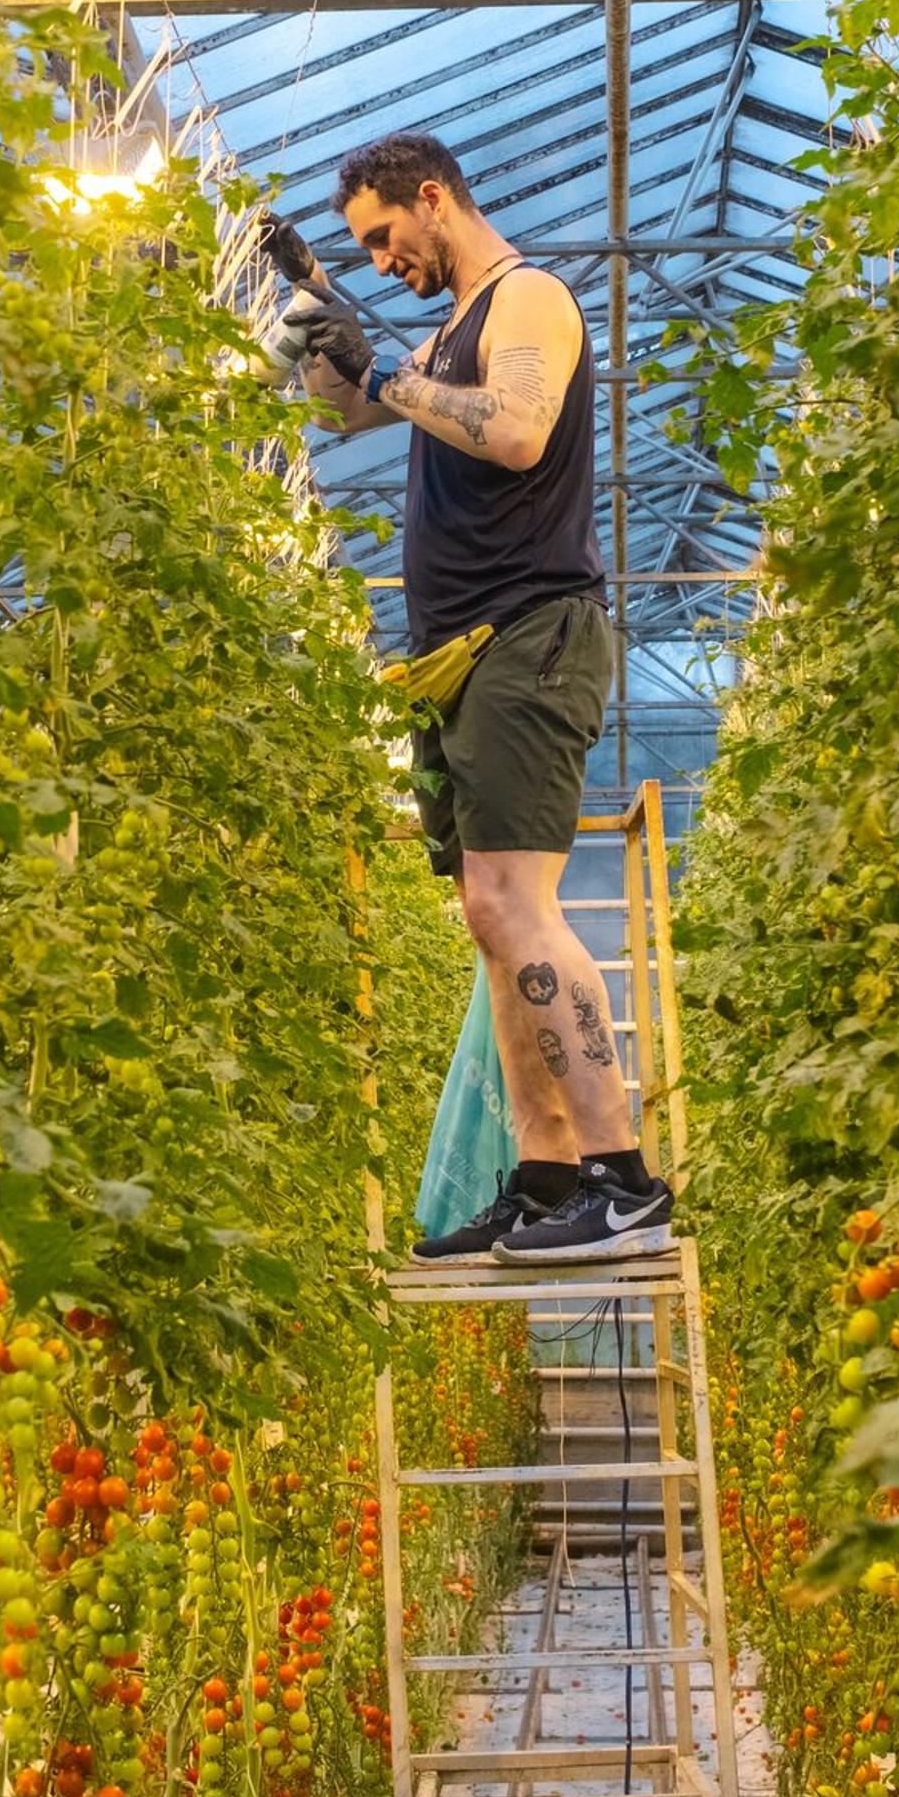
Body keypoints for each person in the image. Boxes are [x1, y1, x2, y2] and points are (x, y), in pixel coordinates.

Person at [271, 128, 674, 1268]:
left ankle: (623, 1177)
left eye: (385, 237)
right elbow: (356, 416)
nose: (383, 259)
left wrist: (389, 369)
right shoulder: (449, 328)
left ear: (435, 198)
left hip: (529, 632)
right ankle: (545, 1176)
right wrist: (320, 342)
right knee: (488, 919)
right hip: (462, 653)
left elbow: (518, 426)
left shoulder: (527, 297)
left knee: (515, 904)